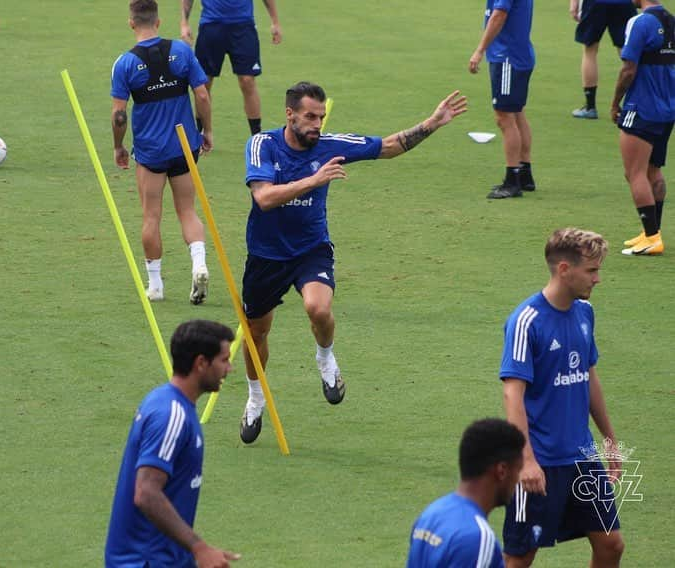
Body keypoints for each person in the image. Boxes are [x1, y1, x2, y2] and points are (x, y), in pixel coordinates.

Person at [238, 81, 467, 444]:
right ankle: (255, 398)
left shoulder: (330, 145)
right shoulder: (262, 145)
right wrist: (314, 179)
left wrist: (431, 123)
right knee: (256, 334)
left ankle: (326, 360)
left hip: (311, 250)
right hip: (266, 256)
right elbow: (264, 197)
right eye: (310, 116)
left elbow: (389, 146)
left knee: (318, 308)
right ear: (290, 114)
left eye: (321, 117)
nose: (317, 124)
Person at [499, 228, 624, 567]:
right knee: (519, 557)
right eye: (592, 270)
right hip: (540, 461)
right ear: (565, 269)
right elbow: (513, 394)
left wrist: (610, 441)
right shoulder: (527, 321)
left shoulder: (585, 313)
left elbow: (588, 378)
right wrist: (526, 460)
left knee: (611, 544)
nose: (598, 279)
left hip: (582, 458)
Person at [104, 319, 240, 568]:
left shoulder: (166, 402)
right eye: (223, 360)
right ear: (201, 363)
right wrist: (199, 547)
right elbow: (146, 492)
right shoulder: (171, 416)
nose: (229, 368)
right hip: (145, 562)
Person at [112, 0, 213, 305]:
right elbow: (202, 93)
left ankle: (155, 285)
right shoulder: (182, 51)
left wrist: (118, 146)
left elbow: (119, 114)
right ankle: (199, 263)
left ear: (131, 23)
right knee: (187, 210)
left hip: (151, 152)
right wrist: (206, 130)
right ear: (158, 22)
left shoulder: (125, 63)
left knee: (151, 216)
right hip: (184, 146)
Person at [406, 418, 525, 567]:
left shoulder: (431, 514)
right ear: (501, 471)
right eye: (518, 470)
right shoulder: (478, 538)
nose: (518, 480)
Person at [611, 0, 674, 256]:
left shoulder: (641, 22)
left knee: (634, 173)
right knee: (653, 171)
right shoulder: (671, 20)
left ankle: (651, 237)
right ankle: (652, 231)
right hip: (668, 107)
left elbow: (628, 68)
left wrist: (615, 102)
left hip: (642, 106)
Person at [180, 0, 281, 136]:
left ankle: (256, 136)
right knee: (204, 83)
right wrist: (184, 22)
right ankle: (201, 133)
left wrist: (275, 21)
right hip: (211, 26)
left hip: (243, 26)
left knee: (247, 81)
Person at [469, 0, 537, 199]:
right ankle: (525, 175)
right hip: (519, 54)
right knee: (517, 113)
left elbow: (499, 15)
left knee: (504, 117)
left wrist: (480, 50)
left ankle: (512, 180)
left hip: (507, 57)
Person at [570, 0, 637, 119]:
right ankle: (636, 105)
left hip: (595, 3)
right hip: (623, 3)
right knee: (628, 53)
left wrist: (574, 4)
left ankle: (590, 107)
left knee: (590, 51)